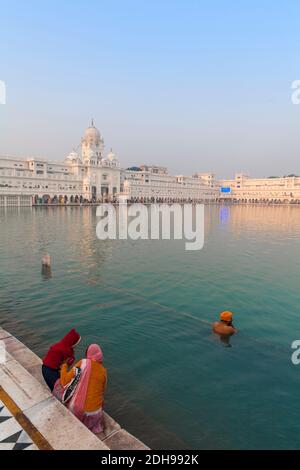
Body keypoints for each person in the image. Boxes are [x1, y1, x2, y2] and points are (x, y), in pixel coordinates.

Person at [60, 344, 107, 434]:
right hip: (95, 415)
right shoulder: (103, 371)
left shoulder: (83, 362)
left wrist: (64, 366)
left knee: (60, 386)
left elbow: (64, 381)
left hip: (79, 412)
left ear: (88, 355)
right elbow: (102, 392)